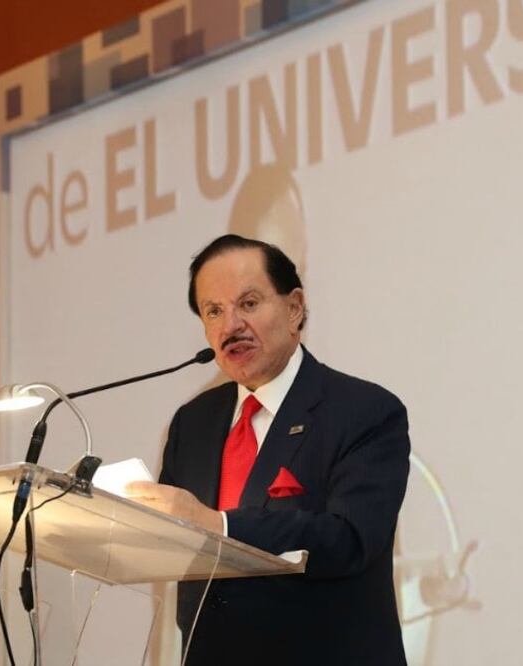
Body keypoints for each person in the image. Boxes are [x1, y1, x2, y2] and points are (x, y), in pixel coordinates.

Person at [127, 234, 410, 665]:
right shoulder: (193, 423)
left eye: (249, 303)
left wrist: (218, 525)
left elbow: (350, 539)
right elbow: (170, 547)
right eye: (214, 311)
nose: (230, 326)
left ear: (294, 308)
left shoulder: (364, 411)